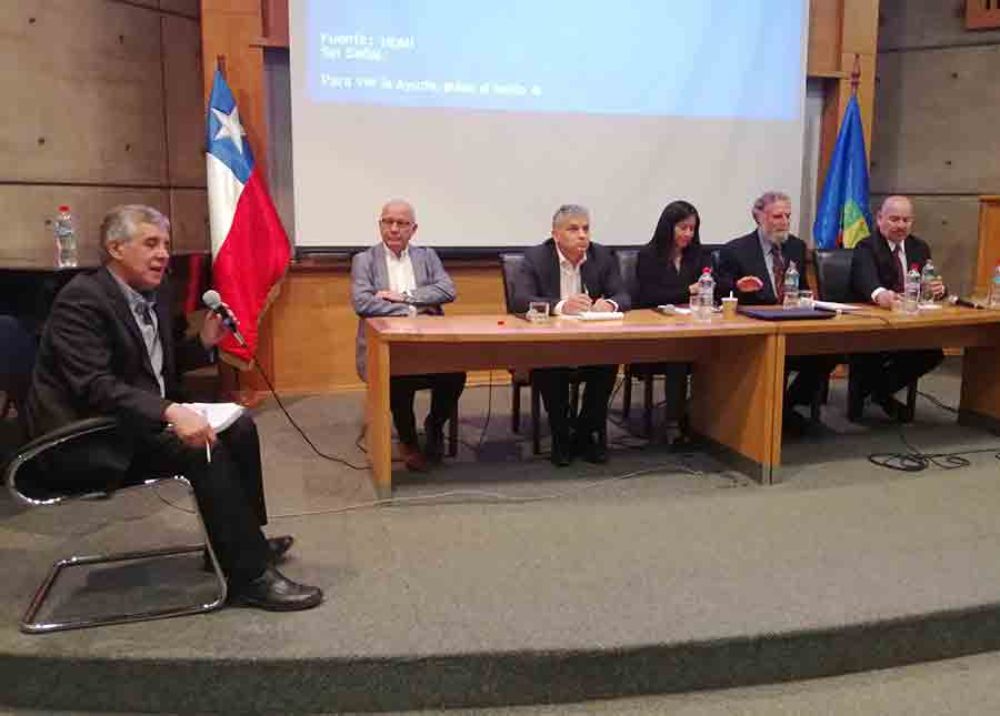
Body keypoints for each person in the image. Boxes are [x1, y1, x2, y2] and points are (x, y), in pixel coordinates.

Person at [26, 205, 322, 611]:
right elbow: (95, 386)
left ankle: (238, 542)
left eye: (166, 244)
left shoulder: (156, 293)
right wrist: (170, 411)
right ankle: (249, 577)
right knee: (202, 448)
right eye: (150, 243)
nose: (164, 254)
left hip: (129, 423)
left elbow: (153, 369)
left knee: (239, 427)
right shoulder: (82, 300)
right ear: (115, 247)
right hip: (86, 438)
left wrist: (205, 342)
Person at [511, 204, 631, 466]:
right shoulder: (536, 257)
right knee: (549, 366)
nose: (582, 235)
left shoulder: (601, 255)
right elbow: (520, 299)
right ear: (556, 234)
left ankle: (586, 432)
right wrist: (561, 306)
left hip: (593, 342)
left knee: (608, 363)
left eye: (586, 229)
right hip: (550, 343)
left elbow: (623, 295)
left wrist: (608, 304)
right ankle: (561, 435)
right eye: (573, 229)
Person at [352, 199, 466, 471]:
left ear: (413, 230)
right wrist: (409, 309)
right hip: (384, 348)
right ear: (380, 225)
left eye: (401, 224)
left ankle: (435, 425)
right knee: (397, 376)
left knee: (455, 374)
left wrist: (405, 296)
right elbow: (362, 302)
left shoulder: (427, 257)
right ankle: (408, 438)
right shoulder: (364, 260)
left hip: (430, 346)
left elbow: (447, 290)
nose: (394, 229)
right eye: (388, 222)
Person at [717, 191, 837, 431]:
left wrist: (807, 300)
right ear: (758, 217)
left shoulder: (796, 246)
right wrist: (737, 287)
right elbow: (721, 291)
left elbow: (801, 287)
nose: (783, 222)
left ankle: (786, 405)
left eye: (787, 216)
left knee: (829, 352)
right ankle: (772, 414)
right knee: (774, 354)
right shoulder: (736, 250)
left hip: (793, 323)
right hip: (754, 330)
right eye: (777, 216)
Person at [848, 195, 945, 421]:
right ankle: (877, 393)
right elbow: (866, 281)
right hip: (873, 324)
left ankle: (877, 391)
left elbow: (928, 284)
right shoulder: (866, 246)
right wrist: (881, 295)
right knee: (875, 352)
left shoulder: (919, 247)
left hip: (911, 322)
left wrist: (938, 289)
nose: (901, 225)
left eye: (906, 220)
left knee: (932, 353)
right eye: (894, 219)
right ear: (879, 219)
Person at [636, 200, 713, 438]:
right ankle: (674, 422)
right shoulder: (648, 256)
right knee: (678, 354)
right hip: (657, 333)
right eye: (683, 228)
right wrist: (687, 291)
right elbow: (648, 296)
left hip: (696, 327)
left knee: (723, 352)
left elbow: (711, 290)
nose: (688, 234)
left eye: (692, 229)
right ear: (668, 227)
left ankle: (709, 418)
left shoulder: (701, 256)